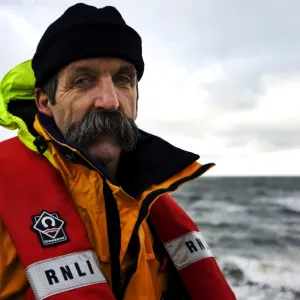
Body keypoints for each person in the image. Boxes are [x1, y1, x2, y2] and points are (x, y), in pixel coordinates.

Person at [0, 3, 236, 300]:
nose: (110, 101)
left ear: (136, 98)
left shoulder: (149, 202)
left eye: (123, 80)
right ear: (45, 101)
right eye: (83, 81)